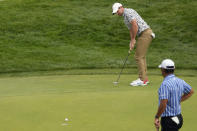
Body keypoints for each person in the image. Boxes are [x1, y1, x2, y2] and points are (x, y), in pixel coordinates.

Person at [112, 3, 155, 86]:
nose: (117, 13)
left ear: (121, 7)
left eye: (117, 11)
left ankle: (142, 80)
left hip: (145, 33)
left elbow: (135, 25)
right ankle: (144, 79)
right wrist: (131, 41)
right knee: (141, 56)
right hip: (144, 34)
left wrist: (133, 39)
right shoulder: (125, 17)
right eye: (116, 13)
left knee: (138, 57)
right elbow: (131, 29)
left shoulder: (128, 12)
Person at [154, 59, 194, 131]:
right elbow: (191, 91)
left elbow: (163, 104)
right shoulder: (180, 81)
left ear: (163, 70)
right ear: (173, 69)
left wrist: (157, 117)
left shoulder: (165, 85)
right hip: (179, 118)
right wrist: (179, 100)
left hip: (169, 120)